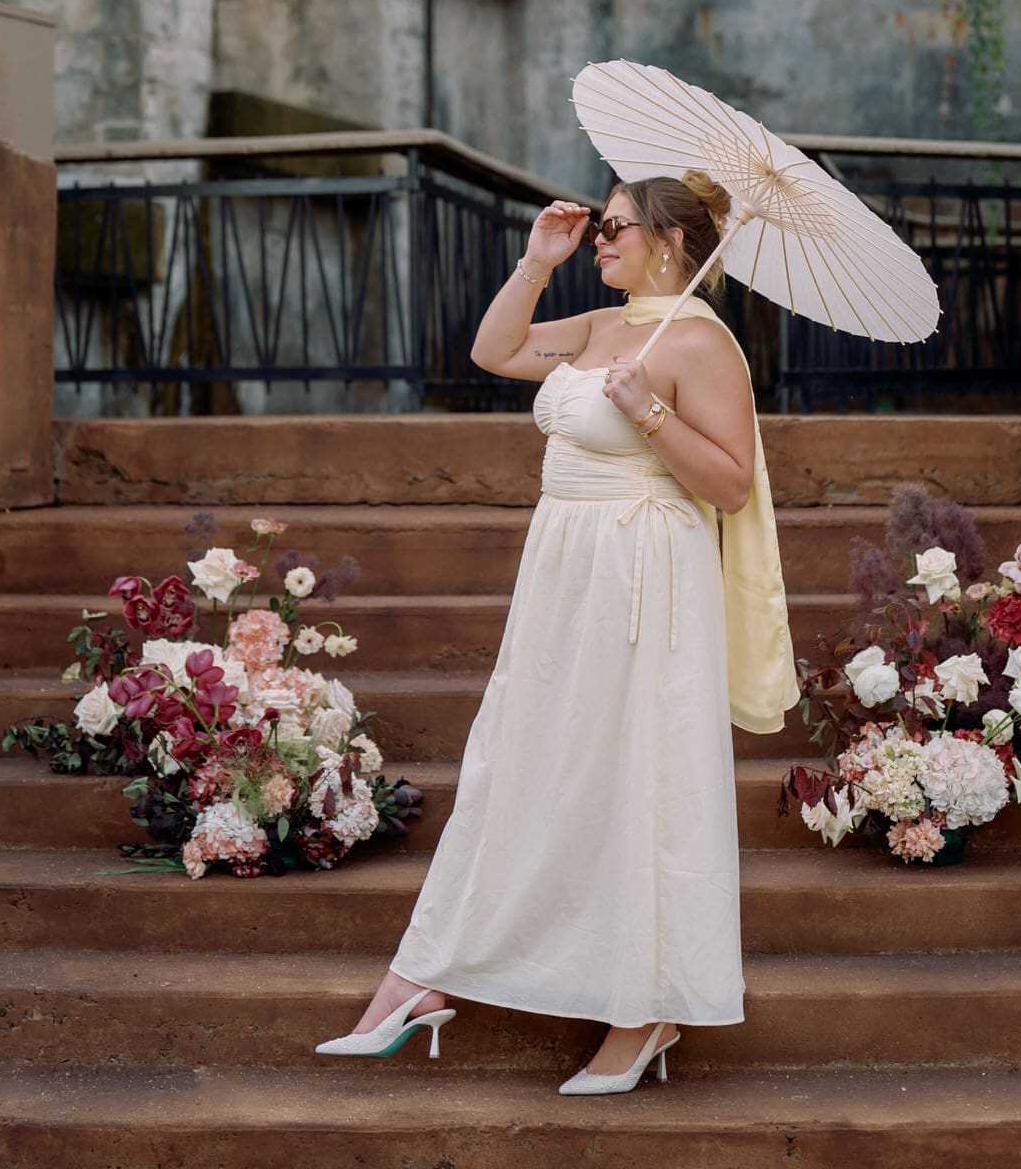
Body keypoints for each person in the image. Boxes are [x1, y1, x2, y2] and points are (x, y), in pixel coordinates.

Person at [315, 170, 797, 1093]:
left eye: (615, 227)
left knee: (637, 781)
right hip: (563, 573)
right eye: (600, 224)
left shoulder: (701, 344)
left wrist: (648, 411)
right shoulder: (600, 324)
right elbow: (494, 351)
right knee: (526, 760)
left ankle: (645, 1009)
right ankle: (425, 974)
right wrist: (538, 262)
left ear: (668, 241)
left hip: (644, 583)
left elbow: (731, 486)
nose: (599, 239)